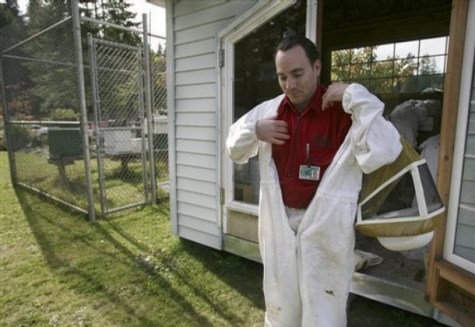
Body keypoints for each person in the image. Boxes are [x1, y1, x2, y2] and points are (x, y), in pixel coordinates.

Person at [226, 32, 402, 327]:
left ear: (317, 68)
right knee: (281, 302)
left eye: (297, 74)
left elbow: (387, 148)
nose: (290, 85)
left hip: (326, 228)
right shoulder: (271, 111)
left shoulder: (343, 112)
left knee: (324, 306)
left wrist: (354, 94)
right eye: (282, 77)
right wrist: (255, 130)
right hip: (280, 224)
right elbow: (233, 145)